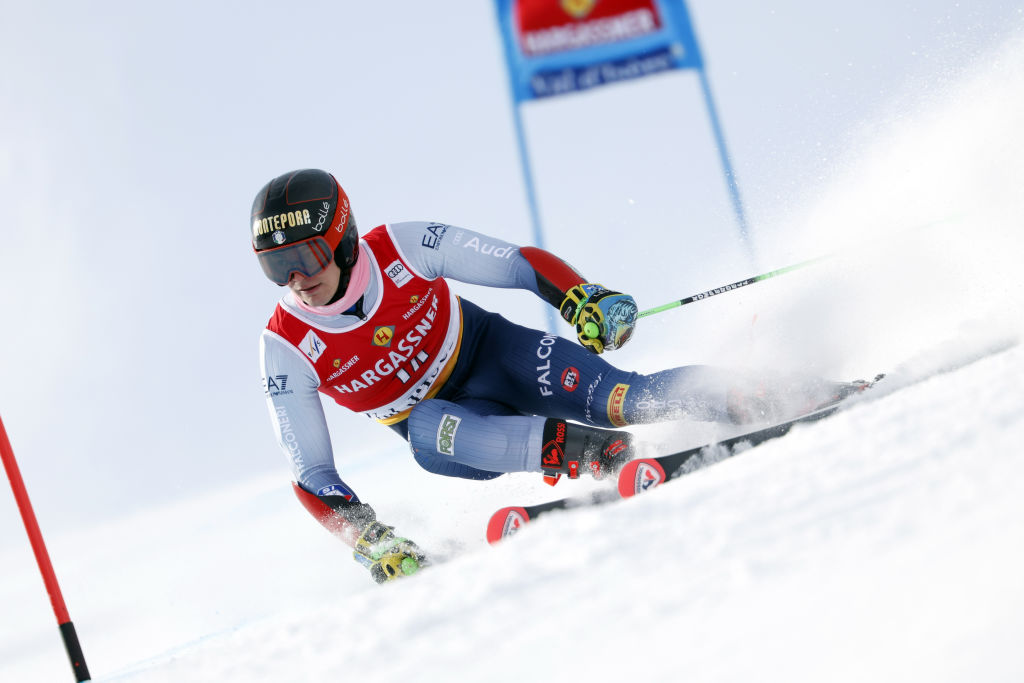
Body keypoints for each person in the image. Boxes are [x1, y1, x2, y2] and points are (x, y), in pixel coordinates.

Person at [254, 169, 859, 584]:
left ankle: (768, 391)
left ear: (345, 238)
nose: (296, 279)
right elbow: (311, 473)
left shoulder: (402, 247)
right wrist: (369, 540)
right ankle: (603, 457)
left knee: (629, 398)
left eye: (304, 256)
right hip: (453, 426)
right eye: (275, 266)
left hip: (493, 352)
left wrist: (581, 297)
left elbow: (515, 263)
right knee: (427, 432)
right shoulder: (285, 344)